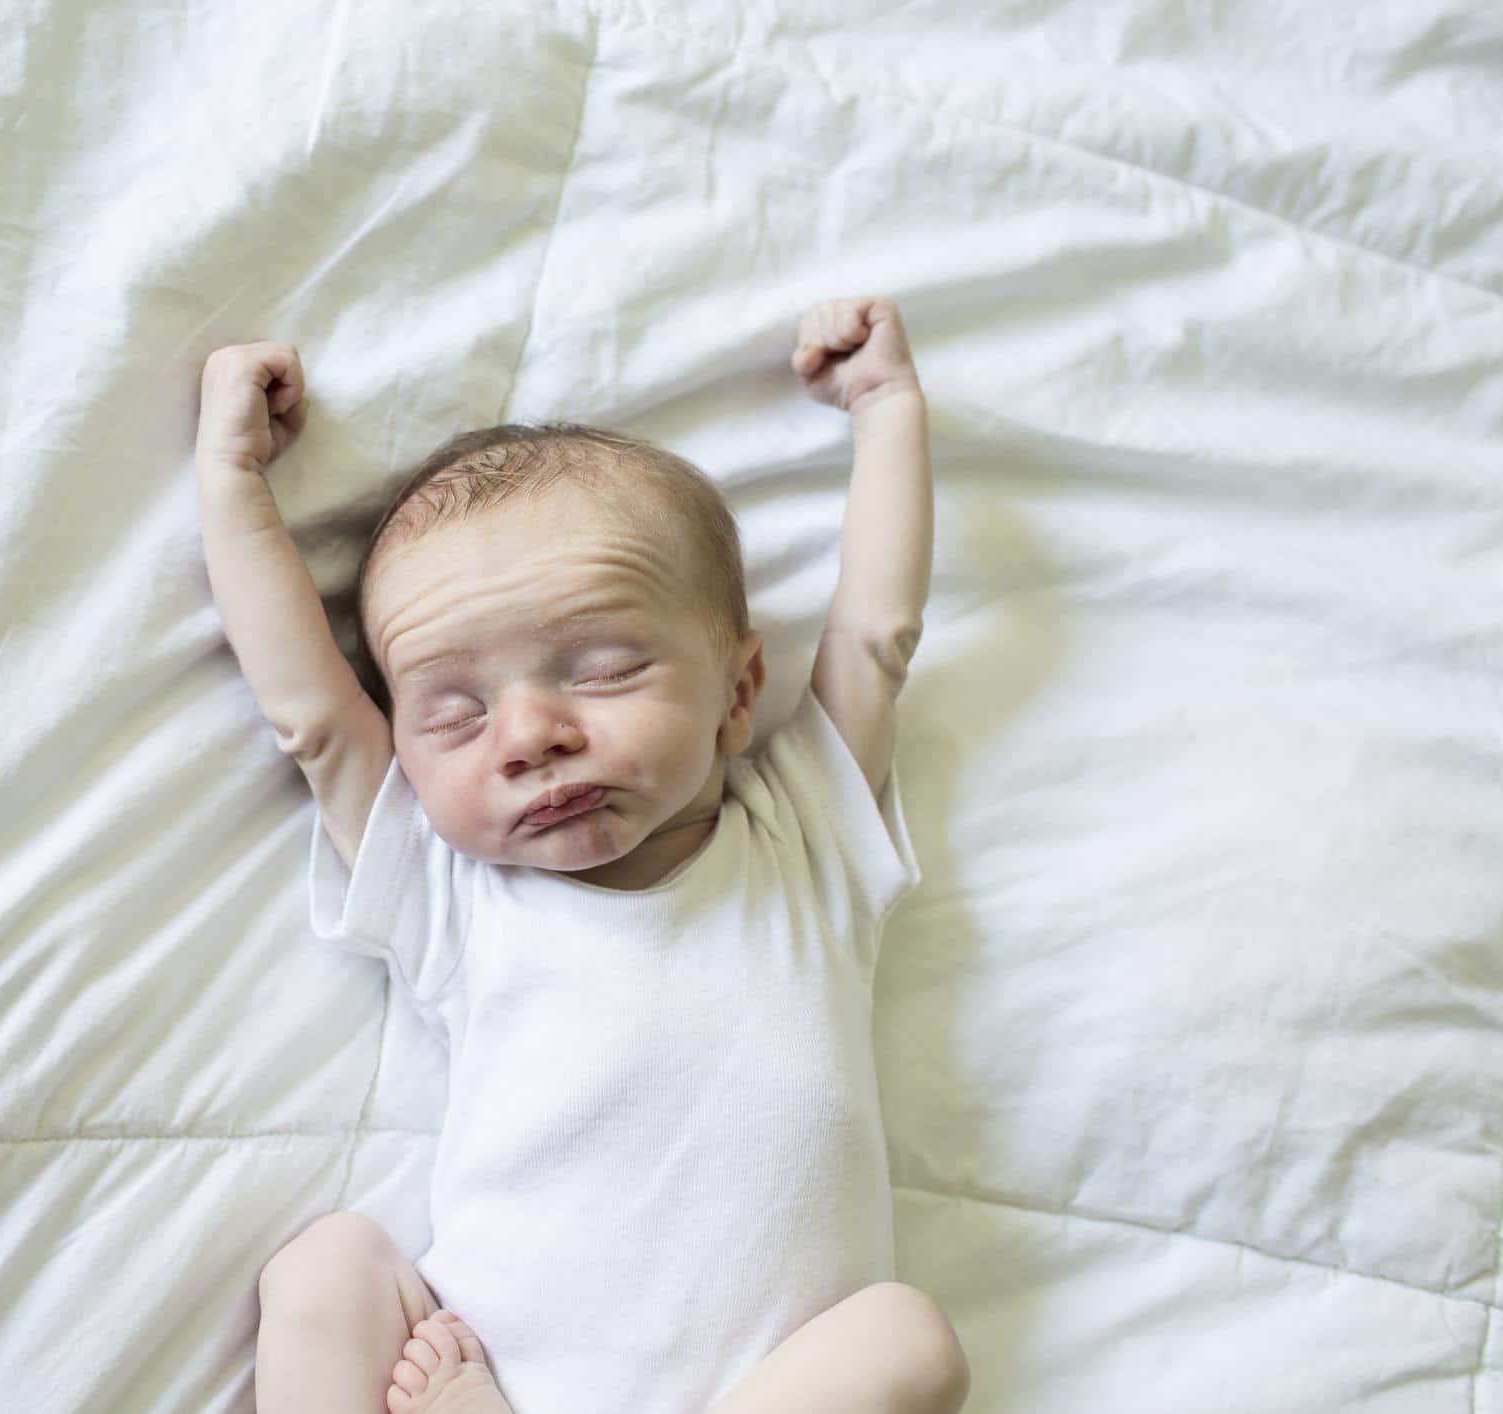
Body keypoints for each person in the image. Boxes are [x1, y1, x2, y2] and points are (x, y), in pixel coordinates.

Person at [196, 297, 968, 1414]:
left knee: (909, 1341)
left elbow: (877, 636)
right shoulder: (455, 892)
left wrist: (889, 409)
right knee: (321, 1272)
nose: (530, 737)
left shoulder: (808, 838)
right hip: (490, 1375)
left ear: (739, 692)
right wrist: (232, 482)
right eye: (458, 714)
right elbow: (312, 715)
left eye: (602, 669)